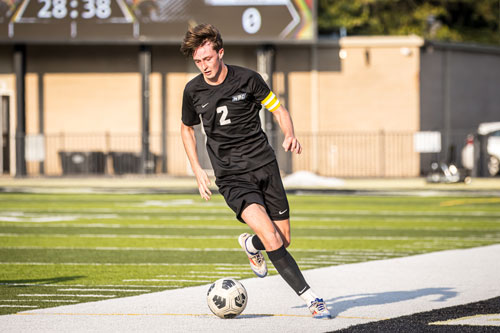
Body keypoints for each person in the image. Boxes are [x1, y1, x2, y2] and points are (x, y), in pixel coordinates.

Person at [179, 23, 331, 319]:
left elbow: (278, 109)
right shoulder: (193, 90)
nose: (204, 66)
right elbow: (186, 128)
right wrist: (197, 169)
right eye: (198, 62)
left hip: (265, 166)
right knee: (273, 239)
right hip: (232, 177)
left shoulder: (249, 79)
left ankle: (250, 243)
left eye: (208, 59)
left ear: (220, 53)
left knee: (283, 238)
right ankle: (312, 298)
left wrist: (290, 134)